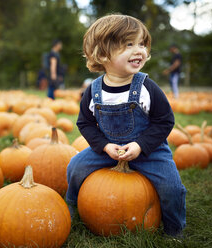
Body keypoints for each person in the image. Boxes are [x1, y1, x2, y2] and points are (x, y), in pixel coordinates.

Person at [66, 14, 186, 238]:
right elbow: (85, 123)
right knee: (75, 166)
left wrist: (141, 145)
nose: (139, 50)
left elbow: (165, 121)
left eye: (142, 43)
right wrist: (103, 146)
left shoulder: (146, 87)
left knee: (172, 186)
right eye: (129, 44)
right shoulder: (93, 91)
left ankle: (174, 230)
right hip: (109, 149)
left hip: (149, 151)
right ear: (102, 54)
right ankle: (71, 206)